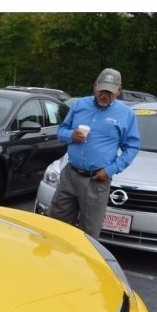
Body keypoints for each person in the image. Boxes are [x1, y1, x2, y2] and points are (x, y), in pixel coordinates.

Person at [49, 68, 140, 237]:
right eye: (101, 90)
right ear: (95, 86)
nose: (104, 95)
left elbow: (132, 147)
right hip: (70, 175)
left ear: (119, 91)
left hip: (96, 180)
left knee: (88, 234)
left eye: (110, 92)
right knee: (54, 226)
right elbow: (61, 131)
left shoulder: (126, 114)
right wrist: (71, 135)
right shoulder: (79, 105)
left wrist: (110, 170)